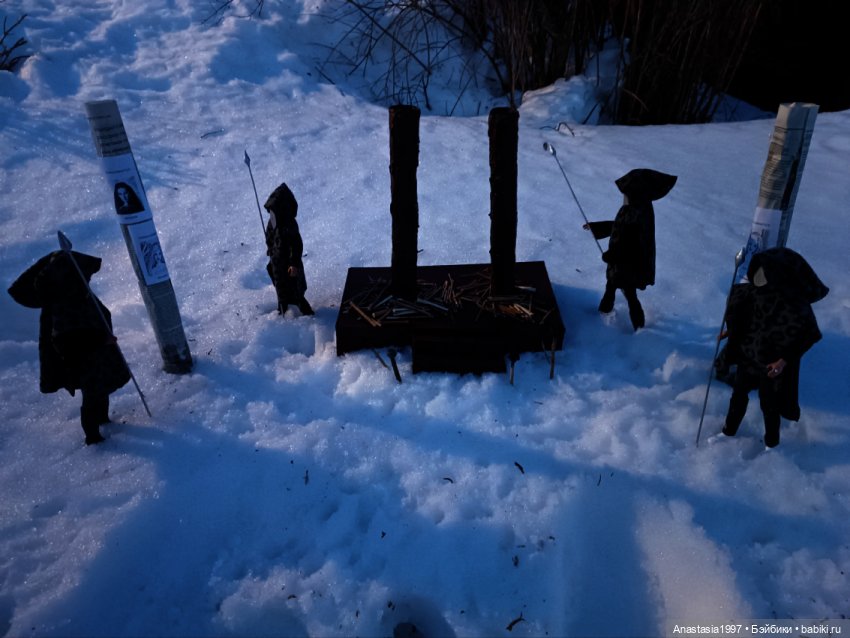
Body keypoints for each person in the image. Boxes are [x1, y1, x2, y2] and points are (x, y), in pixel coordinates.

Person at [8, 250, 131, 445]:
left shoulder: (80, 295)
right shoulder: (64, 305)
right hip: (85, 362)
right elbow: (70, 338)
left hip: (99, 358)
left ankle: (103, 418)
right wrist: (101, 339)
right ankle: (93, 436)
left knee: (101, 391)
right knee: (92, 396)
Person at [716, 247, 828, 448]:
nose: (757, 278)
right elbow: (743, 317)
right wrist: (730, 331)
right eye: (756, 272)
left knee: (769, 405)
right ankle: (728, 430)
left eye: (763, 273)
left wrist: (784, 360)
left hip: (770, 365)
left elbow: (808, 335)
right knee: (738, 396)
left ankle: (771, 442)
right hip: (747, 355)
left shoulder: (793, 305)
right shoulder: (752, 294)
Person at [584, 168, 677, 331]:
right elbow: (618, 227)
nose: (624, 196)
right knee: (610, 287)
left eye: (626, 193)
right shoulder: (635, 208)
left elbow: (630, 243)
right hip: (620, 265)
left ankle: (639, 328)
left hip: (628, 267)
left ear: (636, 193)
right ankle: (602, 314)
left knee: (630, 295)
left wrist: (612, 255)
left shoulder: (638, 213)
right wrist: (596, 227)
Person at [264, 182, 314, 316]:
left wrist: (293, 263)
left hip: (288, 264)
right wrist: (270, 247)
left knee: (295, 291)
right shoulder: (273, 222)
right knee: (281, 289)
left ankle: (306, 313)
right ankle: (283, 310)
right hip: (277, 261)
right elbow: (270, 236)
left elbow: (296, 245)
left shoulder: (289, 224)